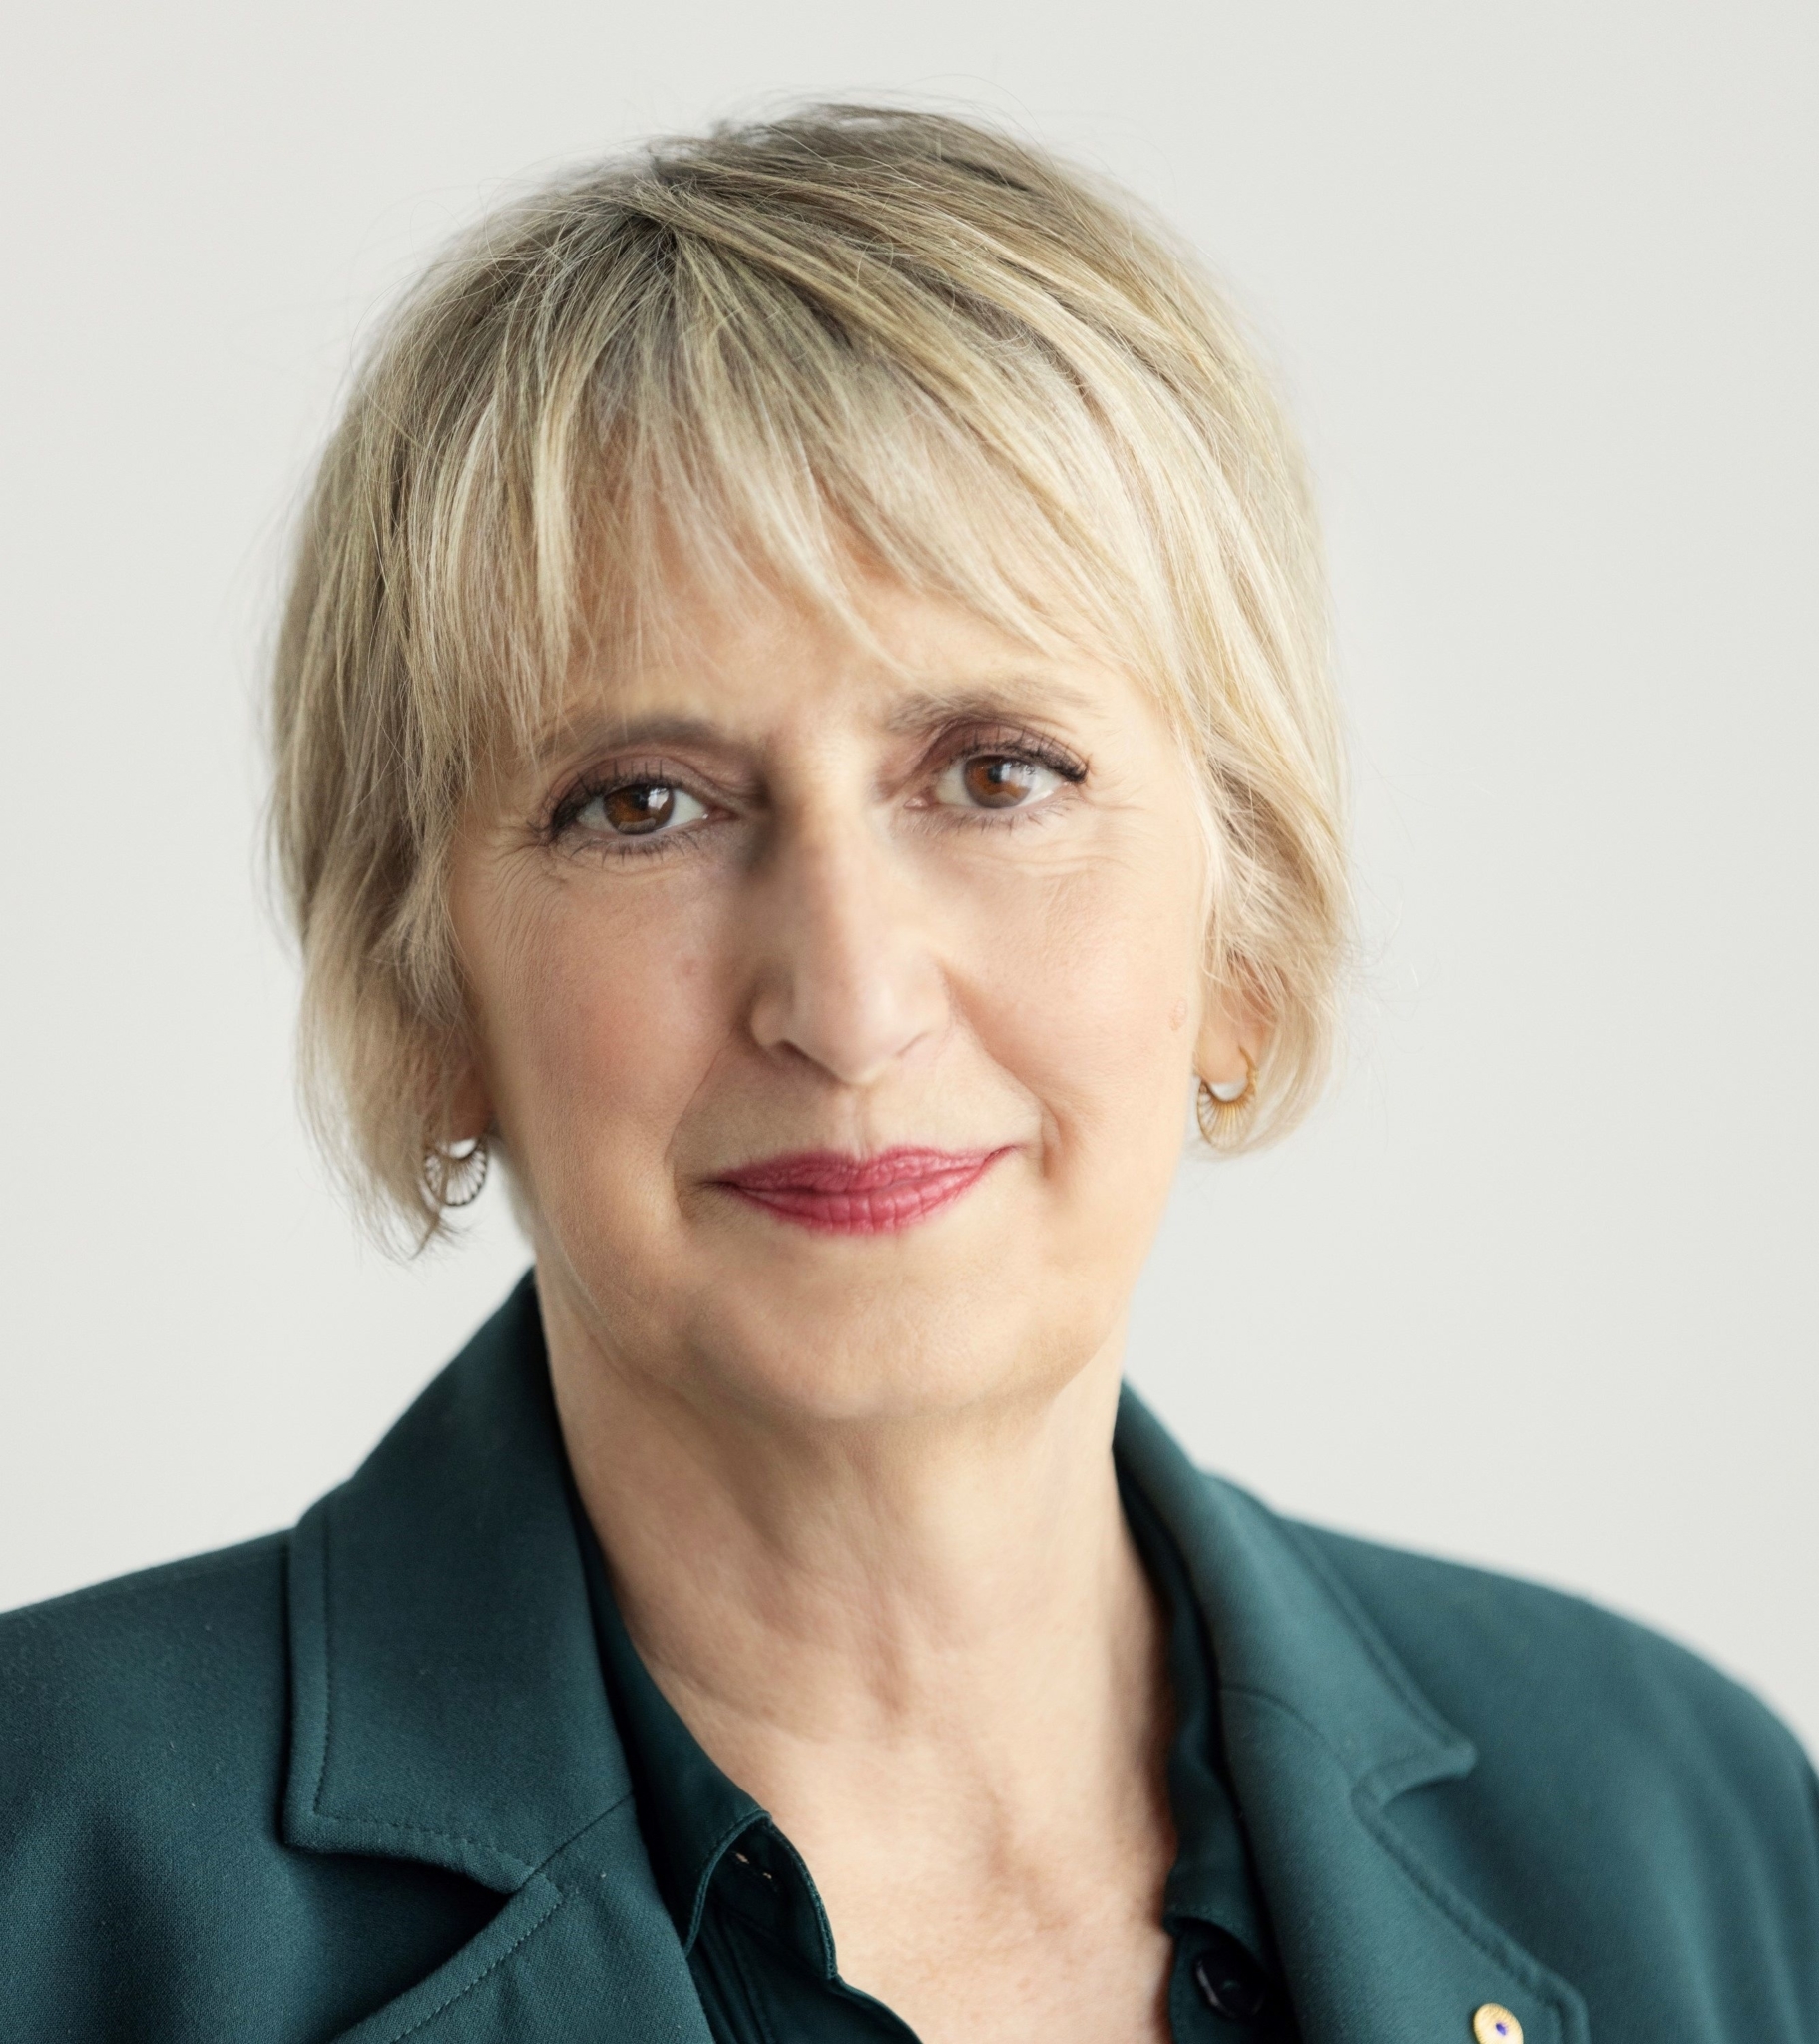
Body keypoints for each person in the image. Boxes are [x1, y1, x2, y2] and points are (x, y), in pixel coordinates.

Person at [1, 104, 1813, 2044]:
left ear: (1248, 936)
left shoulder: (1694, 1829)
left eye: (998, 774)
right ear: (424, 990)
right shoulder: (49, 1874)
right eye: (645, 804)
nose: (851, 1005)